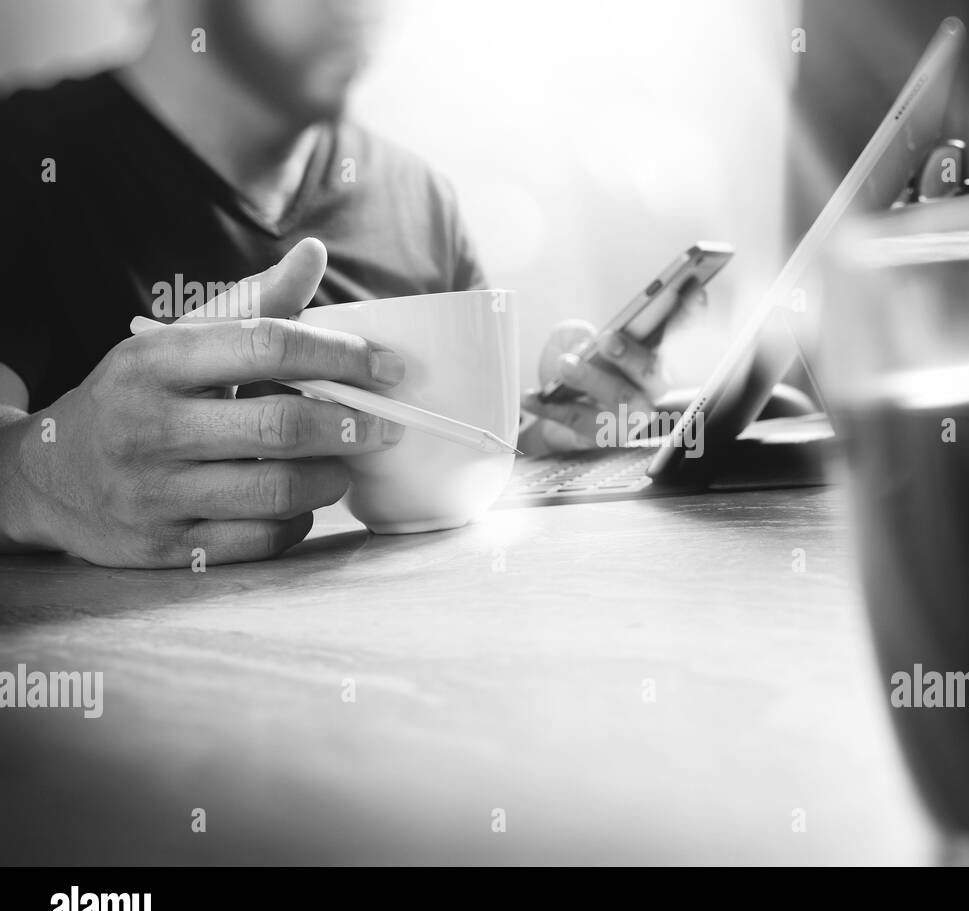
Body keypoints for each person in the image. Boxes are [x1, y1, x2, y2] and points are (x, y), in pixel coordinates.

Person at [0, 0, 659, 568]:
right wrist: (39, 479)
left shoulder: (417, 198)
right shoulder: (24, 162)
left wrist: (547, 436)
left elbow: (461, 446)